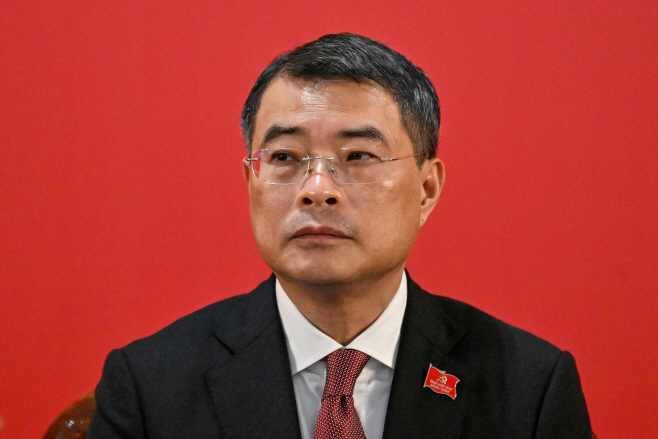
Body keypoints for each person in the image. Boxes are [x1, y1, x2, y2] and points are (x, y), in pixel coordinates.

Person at [87, 33, 591, 439]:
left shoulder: (530, 387)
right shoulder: (149, 386)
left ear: (426, 189)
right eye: (285, 157)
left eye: (358, 157)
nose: (317, 190)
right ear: (251, 181)